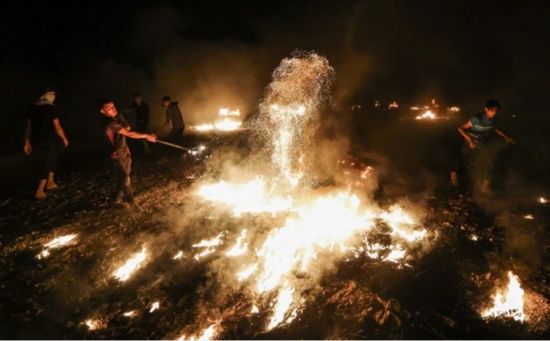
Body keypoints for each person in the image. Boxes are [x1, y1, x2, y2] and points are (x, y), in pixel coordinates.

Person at [99, 98, 157, 206]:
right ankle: (124, 200)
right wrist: (147, 136)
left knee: (126, 177)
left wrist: (120, 117)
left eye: (112, 106)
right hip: (116, 153)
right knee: (124, 177)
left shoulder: (117, 117)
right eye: (108, 108)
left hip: (125, 150)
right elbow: (130, 134)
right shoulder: (110, 122)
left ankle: (122, 198)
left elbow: (128, 128)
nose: (113, 108)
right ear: (103, 111)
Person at [457, 99, 515, 195]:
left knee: (489, 164)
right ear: (486, 109)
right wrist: (470, 140)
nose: (494, 113)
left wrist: (506, 137)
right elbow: (460, 128)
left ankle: (483, 190)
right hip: (470, 143)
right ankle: (456, 181)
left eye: (496, 111)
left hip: (481, 144)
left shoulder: (493, 120)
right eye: (492, 111)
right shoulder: (477, 119)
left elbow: (495, 128)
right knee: (466, 162)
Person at [23, 87, 69, 199]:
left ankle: (50, 182)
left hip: (37, 139)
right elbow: (57, 126)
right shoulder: (51, 108)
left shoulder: (32, 108)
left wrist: (27, 142)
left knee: (52, 158)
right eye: (52, 94)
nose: (53, 96)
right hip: (50, 138)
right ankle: (39, 190)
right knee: (48, 162)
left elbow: (28, 127)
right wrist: (64, 138)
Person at [155, 95, 185, 161]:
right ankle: (179, 156)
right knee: (176, 142)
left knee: (169, 142)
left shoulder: (169, 110)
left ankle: (168, 158)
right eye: (163, 102)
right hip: (181, 127)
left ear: (168, 102)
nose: (164, 103)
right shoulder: (175, 106)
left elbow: (167, 122)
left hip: (177, 128)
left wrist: (158, 131)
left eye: (165, 102)